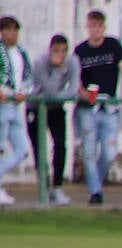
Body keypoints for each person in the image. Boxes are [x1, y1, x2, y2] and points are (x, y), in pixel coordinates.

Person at [72, 10, 122, 206]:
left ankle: (97, 183)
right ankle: (96, 192)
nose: (96, 30)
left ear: (104, 27)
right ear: (88, 27)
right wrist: (82, 92)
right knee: (89, 152)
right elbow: (74, 77)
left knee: (109, 152)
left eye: (99, 26)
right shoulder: (80, 51)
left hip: (109, 106)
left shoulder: (113, 45)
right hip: (88, 108)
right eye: (92, 26)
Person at [28, 33, 79, 205]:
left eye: (64, 51)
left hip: (56, 108)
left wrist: (59, 96)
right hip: (36, 107)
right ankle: (44, 186)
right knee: (39, 148)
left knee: (60, 145)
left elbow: (73, 90)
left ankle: (58, 188)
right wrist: (58, 70)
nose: (61, 55)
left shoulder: (72, 61)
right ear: (50, 50)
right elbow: (48, 90)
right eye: (57, 51)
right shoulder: (40, 62)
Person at [0, 15, 32, 206]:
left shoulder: (21, 52)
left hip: (15, 105)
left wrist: (25, 91)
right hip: (3, 105)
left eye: (15, 30)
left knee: (22, 150)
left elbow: (29, 76)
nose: (13, 34)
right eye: (9, 30)